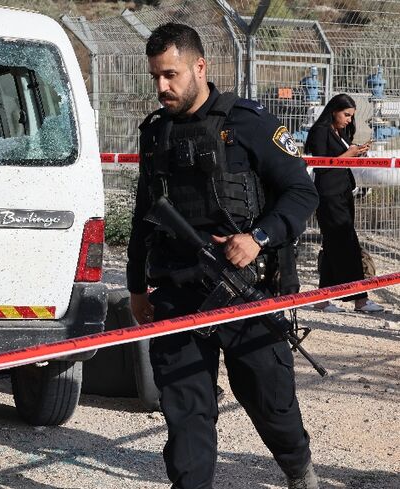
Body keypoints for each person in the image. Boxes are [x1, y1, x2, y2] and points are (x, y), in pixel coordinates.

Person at [127, 23, 320, 489]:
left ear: (199, 67)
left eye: (170, 75)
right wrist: (137, 286)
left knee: (270, 401)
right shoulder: (156, 133)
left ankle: (298, 469)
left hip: (247, 289)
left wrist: (259, 237)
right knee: (186, 411)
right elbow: (144, 210)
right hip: (178, 290)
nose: (162, 87)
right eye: (155, 76)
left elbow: (300, 192)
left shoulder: (249, 123)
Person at [304, 94, 384, 313]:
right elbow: (323, 164)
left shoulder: (337, 132)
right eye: (346, 115)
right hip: (329, 196)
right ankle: (360, 298)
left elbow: (340, 160)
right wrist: (348, 153)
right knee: (347, 244)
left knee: (333, 245)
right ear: (333, 111)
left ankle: (322, 298)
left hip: (342, 193)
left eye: (351, 116)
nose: (349, 120)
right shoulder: (321, 132)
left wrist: (355, 154)